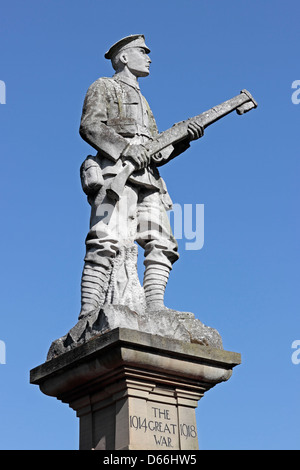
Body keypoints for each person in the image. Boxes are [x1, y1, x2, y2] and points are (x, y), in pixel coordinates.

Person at [78, 34, 203, 319]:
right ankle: (89, 311)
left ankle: (155, 306)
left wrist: (184, 139)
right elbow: (90, 126)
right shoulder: (104, 86)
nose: (149, 57)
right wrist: (125, 149)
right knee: (104, 239)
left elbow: (156, 152)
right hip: (114, 175)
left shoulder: (144, 101)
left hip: (149, 180)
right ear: (123, 57)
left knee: (162, 242)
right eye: (142, 51)